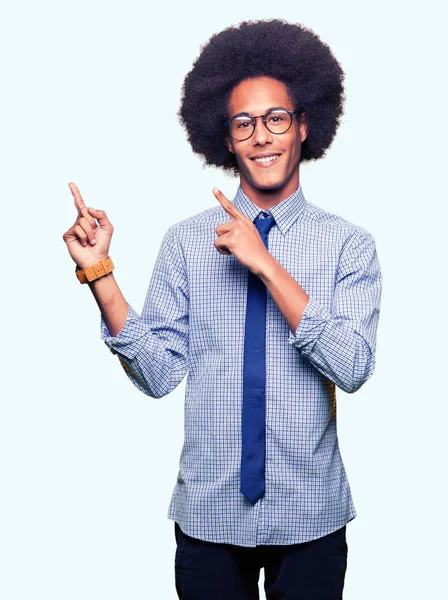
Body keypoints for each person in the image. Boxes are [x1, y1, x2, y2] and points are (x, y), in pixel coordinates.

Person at [63, 19, 382, 600]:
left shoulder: (348, 245)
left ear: (304, 125)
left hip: (311, 517)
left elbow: (354, 367)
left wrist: (265, 262)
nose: (261, 136)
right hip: (209, 519)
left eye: (276, 118)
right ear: (226, 139)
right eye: (244, 123)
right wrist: (99, 273)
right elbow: (158, 376)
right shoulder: (187, 242)